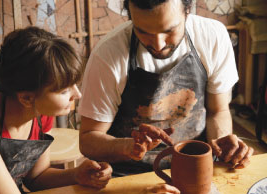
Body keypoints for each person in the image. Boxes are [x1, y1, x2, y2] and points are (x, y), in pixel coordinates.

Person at [78, 0, 254, 192]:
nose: (158, 44)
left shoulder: (212, 37)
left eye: (169, 30)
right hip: (130, 175)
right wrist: (129, 146)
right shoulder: (108, 54)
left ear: (188, 9)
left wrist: (223, 142)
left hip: (197, 167)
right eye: (143, 31)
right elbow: (88, 140)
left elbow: (217, 110)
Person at [0, 26, 112, 194]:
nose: (78, 94)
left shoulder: (38, 110)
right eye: (64, 90)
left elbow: (36, 177)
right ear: (26, 98)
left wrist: (76, 175)